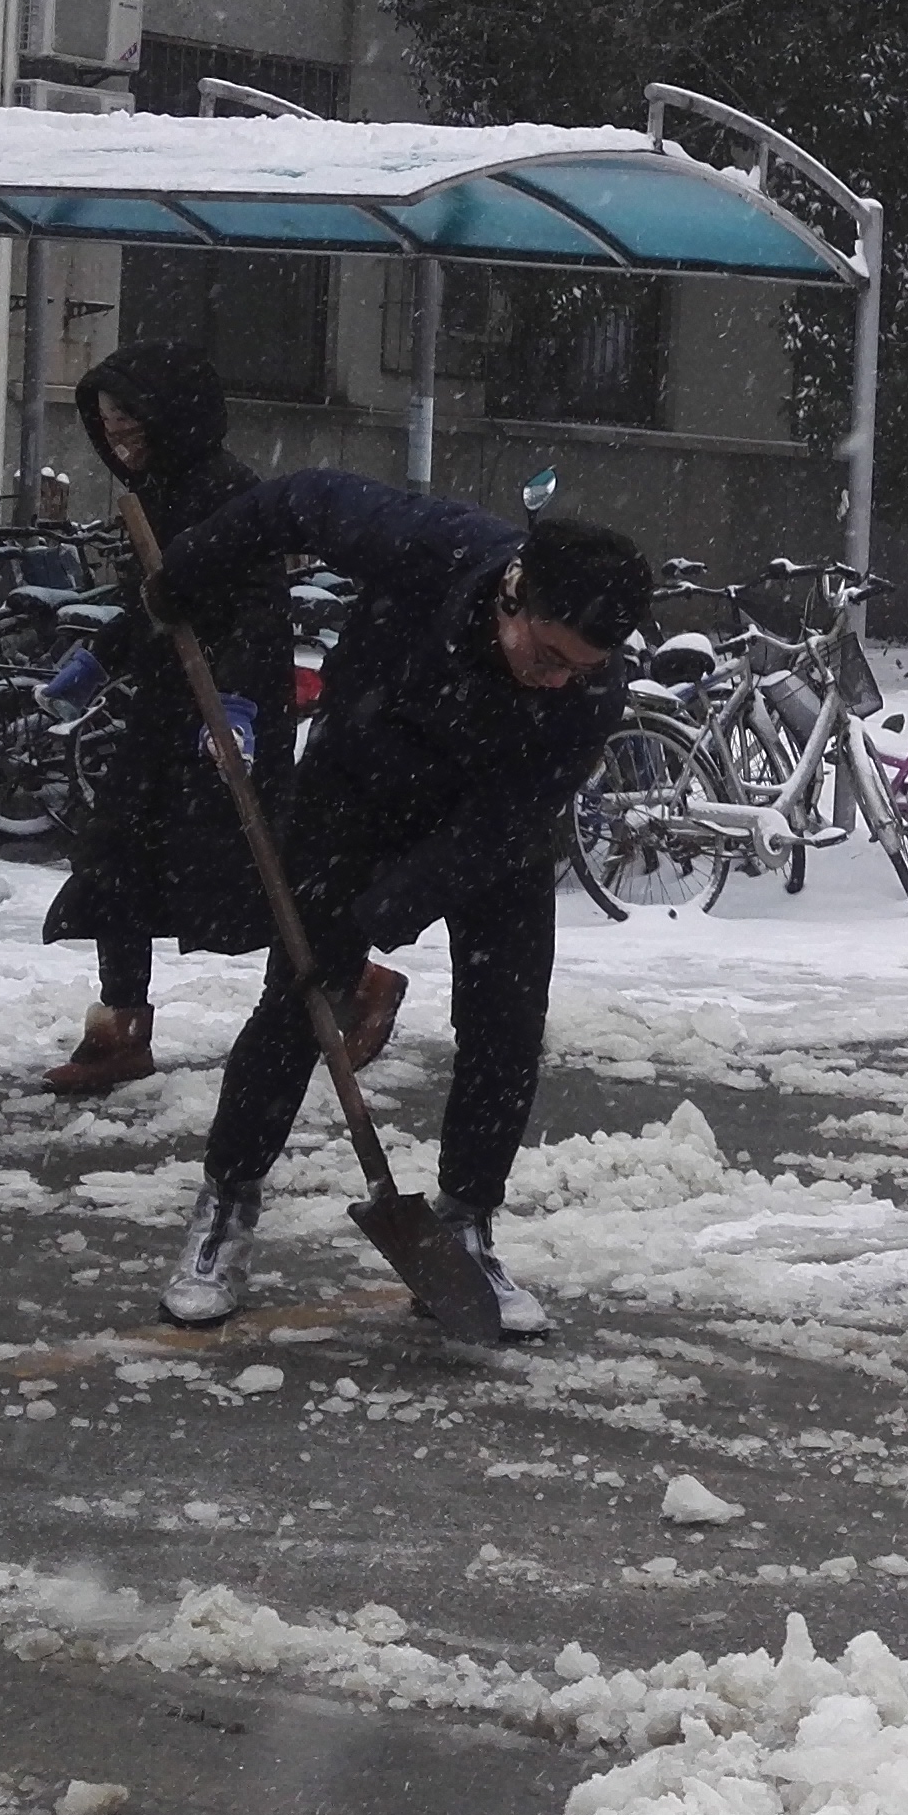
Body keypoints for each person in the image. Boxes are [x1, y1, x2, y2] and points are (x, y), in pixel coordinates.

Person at [143, 472, 650, 1340]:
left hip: (491, 823)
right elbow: (292, 502)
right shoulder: (431, 545)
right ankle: (226, 1207)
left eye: (583, 669)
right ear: (515, 592)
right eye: (549, 654)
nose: (559, 680)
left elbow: (494, 831)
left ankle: (466, 1222)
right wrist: (187, 573)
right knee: (303, 996)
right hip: (358, 791)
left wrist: (385, 914)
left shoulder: (587, 699)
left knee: (506, 1018)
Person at [33, 344, 288, 1096]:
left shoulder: (228, 491)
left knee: (252, 876)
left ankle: (351, 979)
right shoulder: (153, 489)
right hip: (167, 706)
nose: (117, 435)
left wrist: (239, 703)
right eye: (107, 422)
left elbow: (258, 606)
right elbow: (158, 602)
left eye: (129, 419)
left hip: (222, 712)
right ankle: (121, 1032)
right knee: (119, 861)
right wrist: (102, 656)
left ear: (170, 413)